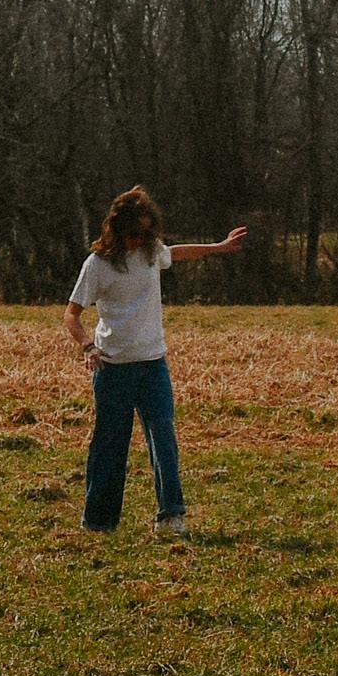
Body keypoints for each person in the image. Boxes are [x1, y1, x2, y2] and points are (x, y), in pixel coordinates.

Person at [62, 186, 247, 534]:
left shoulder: (150, 253)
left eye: (147, 233)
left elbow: (175, 253)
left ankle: (171, 515)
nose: (141, 240)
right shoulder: (97, 265)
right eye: (135, 234)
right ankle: (99, 522)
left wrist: (218, 247)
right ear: (117, 230)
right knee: (110, 445)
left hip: (152, 365)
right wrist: (88, 347)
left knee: (163, 437)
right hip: (112, 369)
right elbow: (71, 315)